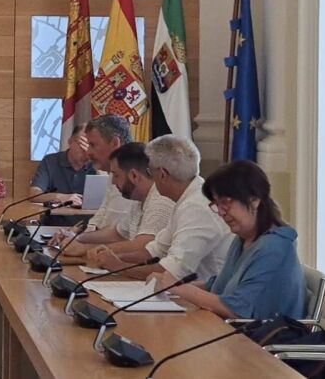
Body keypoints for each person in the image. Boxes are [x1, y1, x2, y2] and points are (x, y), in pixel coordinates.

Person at [157, 160, 307, 320]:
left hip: (260, 334)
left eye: (225, 203)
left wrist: (179, 288)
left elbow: (237, 309)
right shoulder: (242, 239)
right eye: (216, 205)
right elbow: (219, 286)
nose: (221, 212)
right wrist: (171, 287)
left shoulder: (275, 247)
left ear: (254, 199)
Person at [90, 135, 233, 282]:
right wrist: (112, 257)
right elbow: (154, 251)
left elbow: (172, 272)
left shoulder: (197, 207)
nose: (149, 178)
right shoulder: (187, 198)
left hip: (204, 293)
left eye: (150, 172)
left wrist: (117, 265)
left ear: (163, 175)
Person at [64, 143, 175, 261]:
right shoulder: (139, 200)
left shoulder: (161, 200)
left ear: (134, 176)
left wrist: (84, 249)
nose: (113, 182)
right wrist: (77, 238)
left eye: (116, 175)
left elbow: (143, 246)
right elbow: (117, 233)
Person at [49, 114, 137, 247]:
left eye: (92, 145)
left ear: (115, 143)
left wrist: (82, 244)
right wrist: (75, 237)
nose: (88, 152)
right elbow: (100, 219)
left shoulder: (137, 180)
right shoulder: (112, 175)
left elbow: (129, 238)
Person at [28, 124, 94, 204]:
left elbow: (106, 198)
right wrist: (60, 197)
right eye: (82, 144)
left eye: (91, 145)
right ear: (70, 142)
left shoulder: (98, 165)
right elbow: (34, 194)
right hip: (56, 212)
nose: (86, 149)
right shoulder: (50, 161)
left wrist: (96, 158)